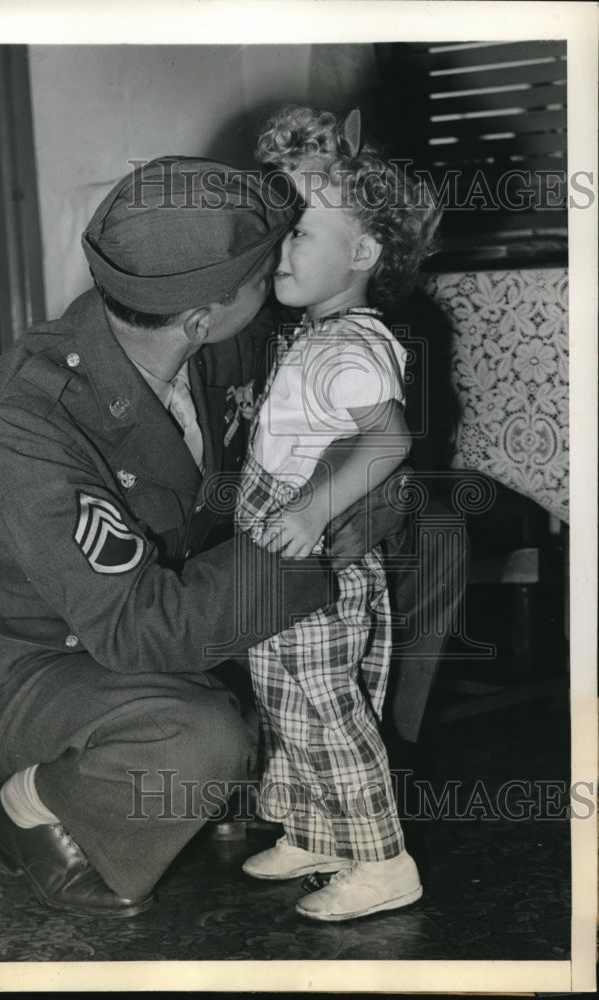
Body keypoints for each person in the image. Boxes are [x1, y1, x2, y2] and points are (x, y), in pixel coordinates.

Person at [0, 155, 410, 919]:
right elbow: (137, 624)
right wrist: (317, 543)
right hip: (41, 656)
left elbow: (360, 448)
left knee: (307, 706)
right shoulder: (21, 426)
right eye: (266, 272)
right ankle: (34, 803)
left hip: (193, 611)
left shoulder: (219, 337)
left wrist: (359, 495)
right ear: (201, 315)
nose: (281, 277)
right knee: (204, 746)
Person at [234, 106, 441, 921]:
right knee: (281, 692)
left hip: (312, 548)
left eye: (299, 235)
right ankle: (318, 829)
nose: (279, 249)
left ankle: (383, 860)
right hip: (281, 540)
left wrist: (316, 510)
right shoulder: (319, 332)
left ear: (361, 253)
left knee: (326, 703)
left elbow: (387, 444)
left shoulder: (351, 348)